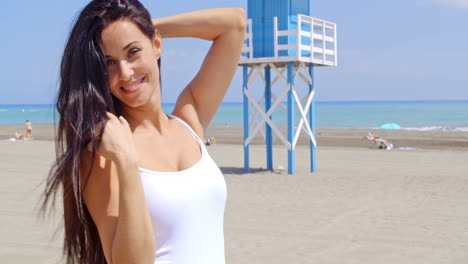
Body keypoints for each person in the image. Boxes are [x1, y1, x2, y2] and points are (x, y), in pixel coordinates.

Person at [41, 1, 245, 264]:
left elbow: (234, 24)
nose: (125, 72)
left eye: (133, 52)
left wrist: (144, 28)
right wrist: (127, 163)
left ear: (157, 45)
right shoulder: (102, 151)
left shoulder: (189, 121)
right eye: (108, 63)